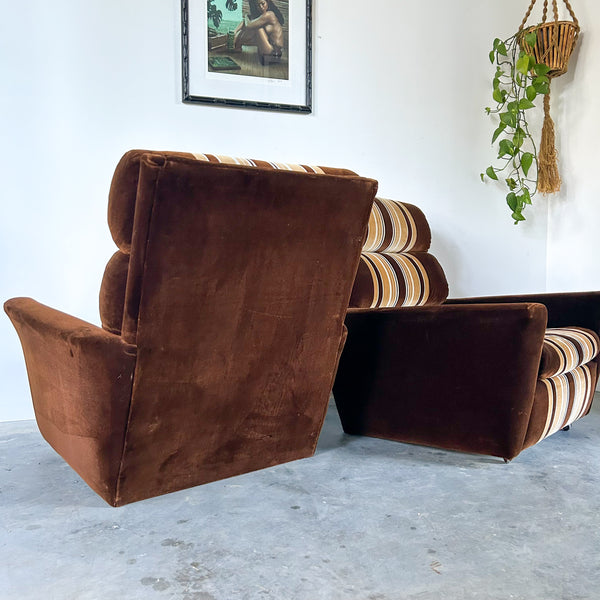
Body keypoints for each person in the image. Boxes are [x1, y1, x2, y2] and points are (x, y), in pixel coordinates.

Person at [233, 0, 285, 65]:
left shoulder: (269, 14)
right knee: (253, 24)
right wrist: (235, 32)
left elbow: (248, 25)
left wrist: (246, 16)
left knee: (256, 28)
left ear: (267, 2)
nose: (261, 7)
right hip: (268, 52)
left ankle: (237, 44)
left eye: (263, 4)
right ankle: (237, 44)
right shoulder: (262, 16)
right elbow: (247, 22)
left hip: (273, 54)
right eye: (258, 5)